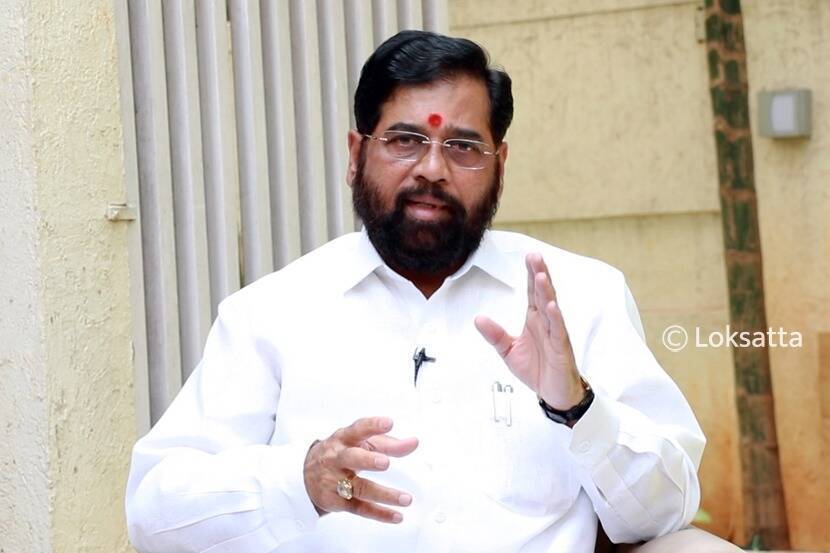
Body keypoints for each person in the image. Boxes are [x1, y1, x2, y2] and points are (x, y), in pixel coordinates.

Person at [126, 30, 710, 553]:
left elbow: (666, 511)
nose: (432, 168)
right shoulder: (273, 313)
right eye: (405, 140)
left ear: (500, 165)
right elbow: (153, 512)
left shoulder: (576, 297)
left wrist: (577, 408)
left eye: (463, 147)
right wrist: (300, 482)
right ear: (356, 155)